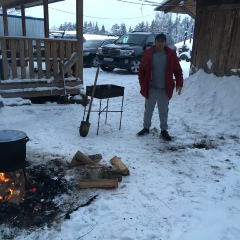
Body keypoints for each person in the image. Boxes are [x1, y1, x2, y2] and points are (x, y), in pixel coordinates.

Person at [137, 33, 183, 141]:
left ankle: (164, 130)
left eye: (162, 41)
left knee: (163, 111)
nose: (160, 43)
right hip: (151, 88)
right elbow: (141, 70)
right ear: (155, 42)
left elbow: (177, 71)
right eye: (158, 41)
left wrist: (179, 83)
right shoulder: (148, 54)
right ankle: (146, 127)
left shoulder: (171, 55)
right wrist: (143, 83)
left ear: (165, 43)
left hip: (164, 89)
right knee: (148, 110)